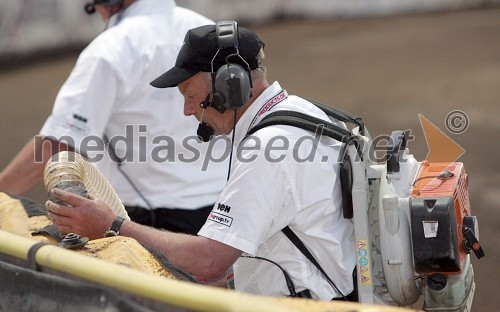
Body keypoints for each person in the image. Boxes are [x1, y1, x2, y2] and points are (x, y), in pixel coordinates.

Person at [46, 22, 356, 300]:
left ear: (229, 86)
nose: (187, 110)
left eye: (189, 94)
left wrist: (112, 225)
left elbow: (210, 258)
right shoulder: (309, 113)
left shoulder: (266, 147)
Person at [0, 0, 228, 235]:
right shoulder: (209, 30)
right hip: (222, 213)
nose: (99, 15)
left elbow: (57, 144)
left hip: (149, 219)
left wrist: (1, 195)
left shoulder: (110, 48)